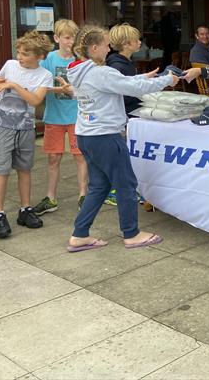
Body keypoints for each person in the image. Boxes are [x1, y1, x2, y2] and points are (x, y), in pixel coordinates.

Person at [66, 25, 180, 252]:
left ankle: (79, 234)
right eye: (106, 44)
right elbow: (132, 88)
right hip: (106, 136)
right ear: (94, 47)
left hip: (86, 135)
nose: (110, 48)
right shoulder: (102, 72)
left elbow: (119, 83)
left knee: (98, 187)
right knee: (126, 184)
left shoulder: (79, 70)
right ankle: (132, 234)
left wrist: (142, 77)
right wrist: (167, 80)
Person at [0, 30, 54, 239]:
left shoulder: (45, 75)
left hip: (26, 128)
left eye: (26, 53)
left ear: (40, 56)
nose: (20, 57)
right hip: (3, 126)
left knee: (24, 169)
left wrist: (14, 85)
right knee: (2, 170)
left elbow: (36, 100)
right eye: (19, 52)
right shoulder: (9, 65)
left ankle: (25, 209)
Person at [32, 19, 88, 217]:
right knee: (53, 158)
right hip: (54, 116)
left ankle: (83, 195)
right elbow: (39, 83)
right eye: (66, 37)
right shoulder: (49, 60)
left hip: (76, 117)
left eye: (73, 37)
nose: (70, 41)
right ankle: (51, 197)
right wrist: (60, 89)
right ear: (56, 38)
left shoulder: (82, 60)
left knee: (80, 156)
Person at [104, 23, 154, 207]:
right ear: (126, 43)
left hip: (126, 115)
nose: (140, 42)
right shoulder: (120, 66)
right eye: (136, 39)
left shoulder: (122, 63)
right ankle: (115, 191)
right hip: (124, 117)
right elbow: (125, 94)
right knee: (123, 156)